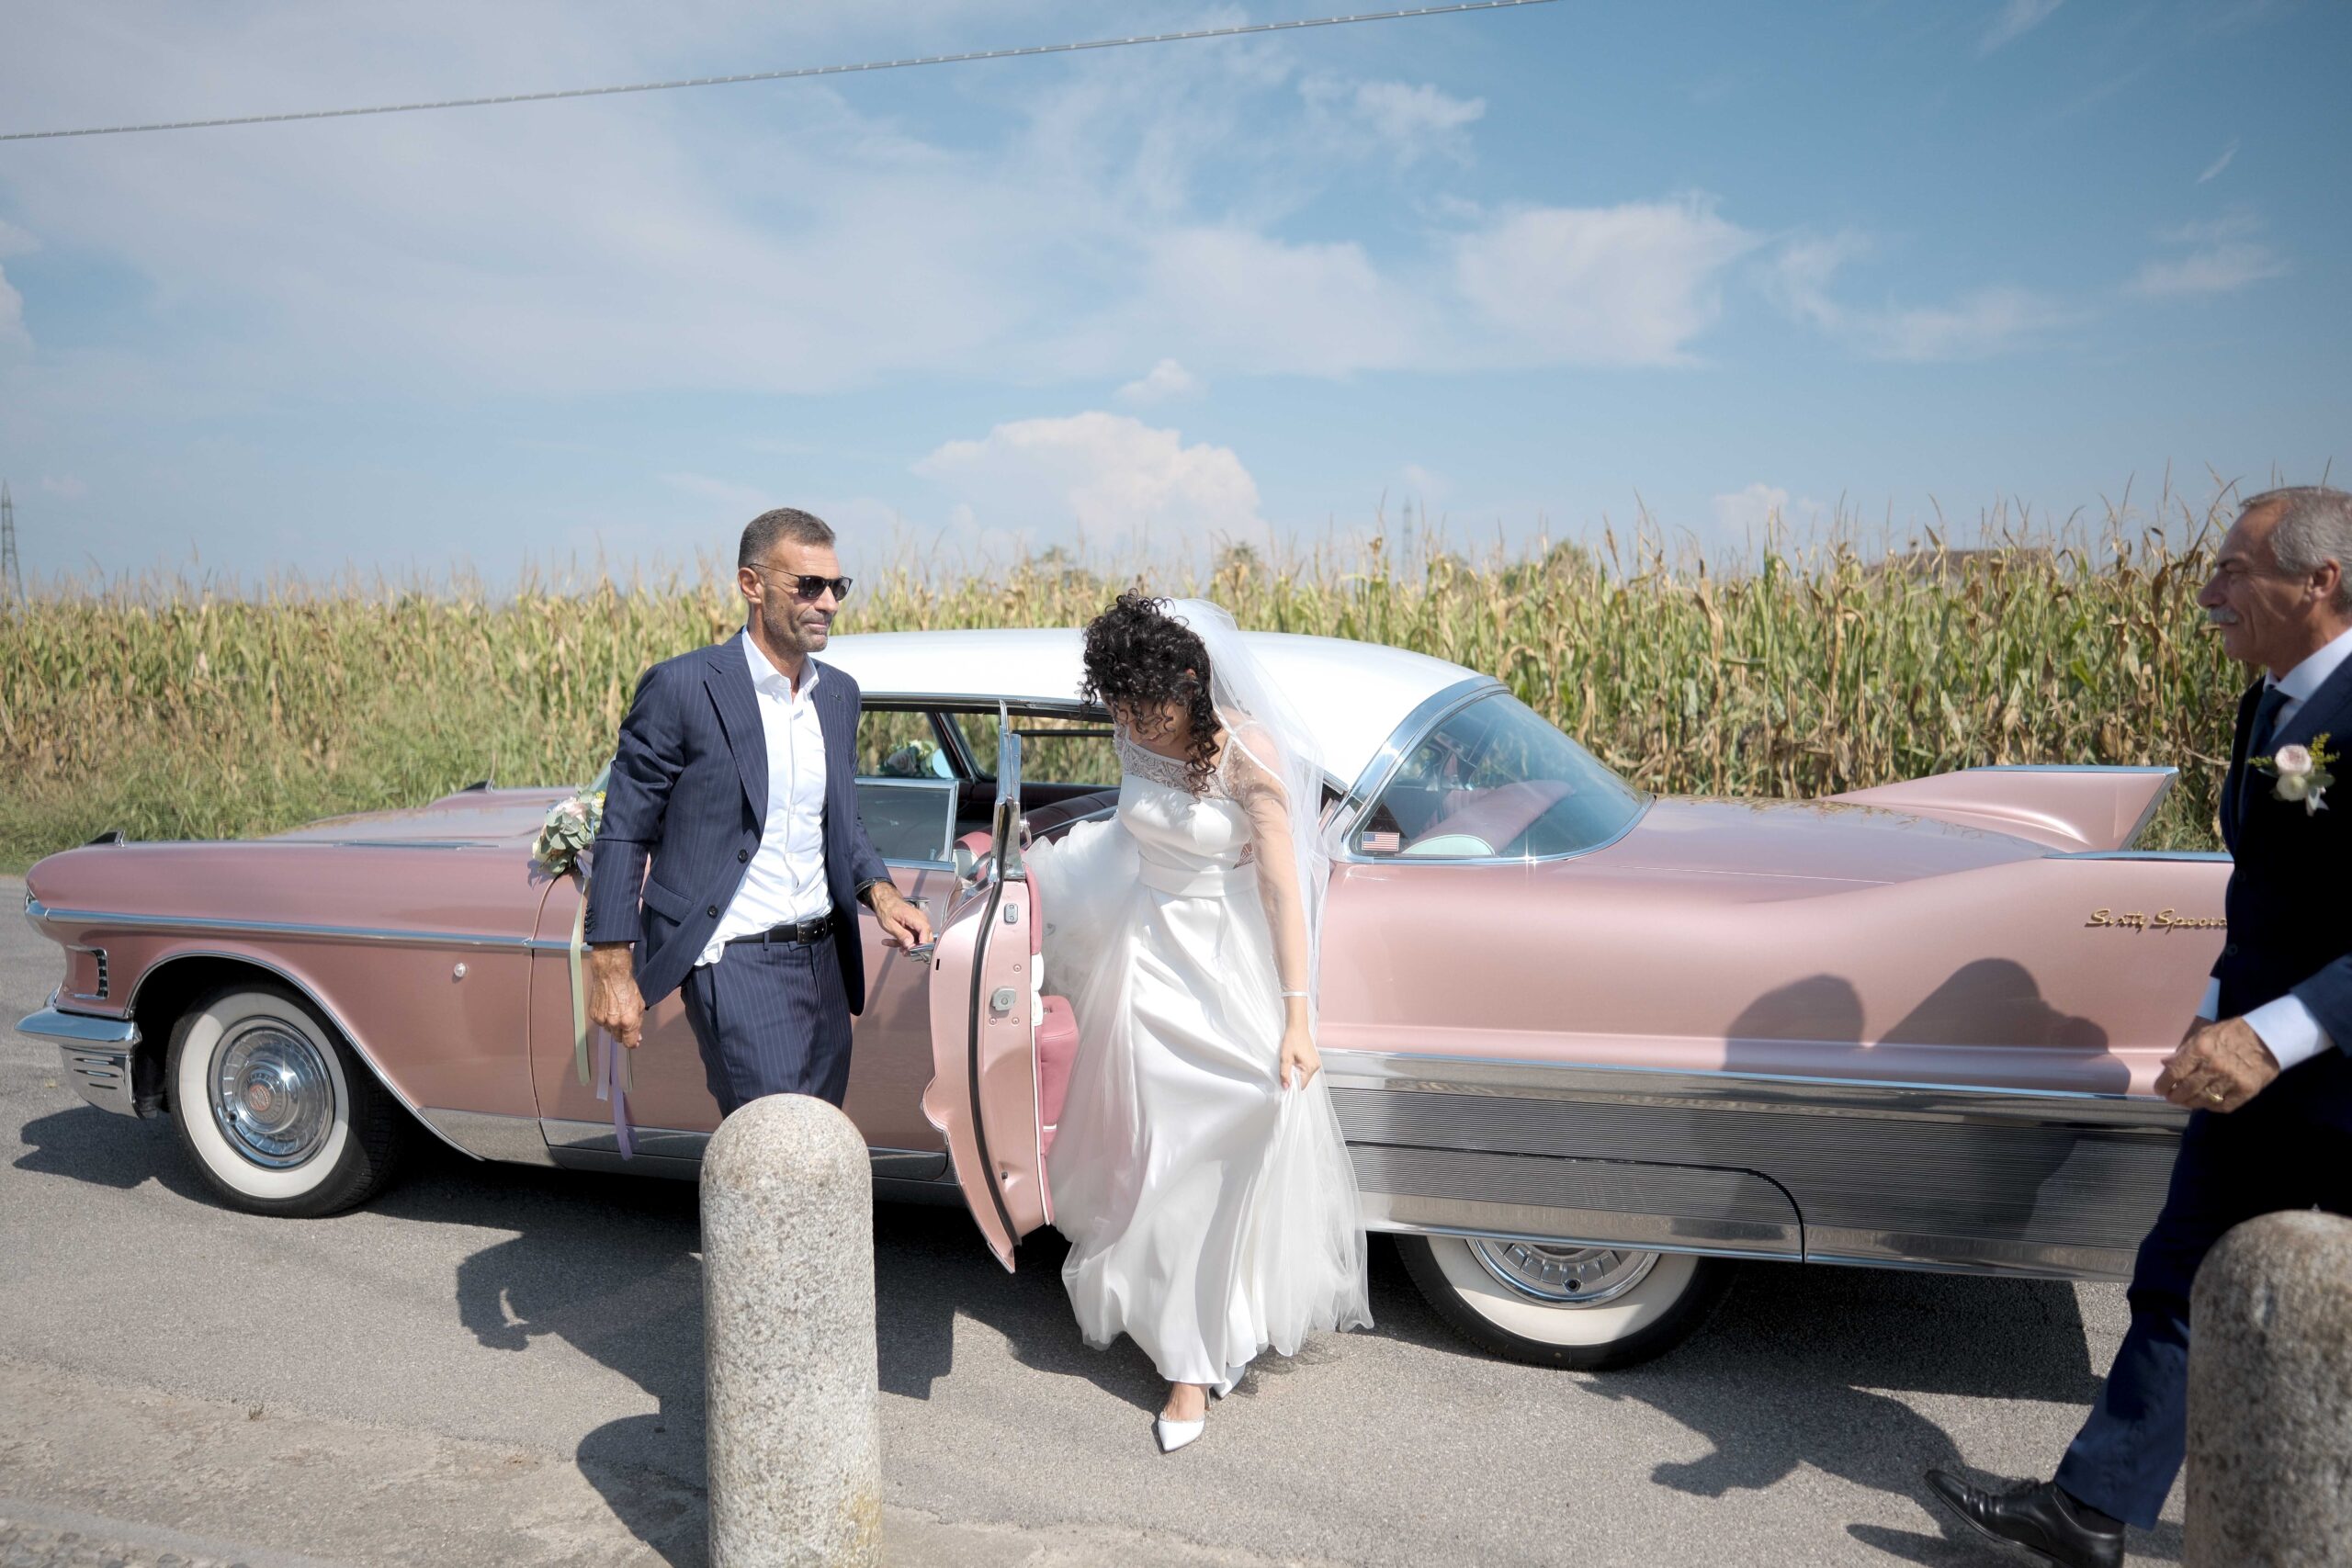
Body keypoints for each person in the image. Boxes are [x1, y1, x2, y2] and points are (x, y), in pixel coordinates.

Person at [1928, 486, 2352, 1565]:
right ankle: (2091, 1510)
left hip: (2329, 1065)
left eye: (2232, 571)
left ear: (2319, 582)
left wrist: (2272, 1035)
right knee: (2181, 1273)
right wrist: (2210, 1022)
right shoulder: (2270, 704)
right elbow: (2267, 893)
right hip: (2254, 1066)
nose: (2206, 594)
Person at [1026, 592, 1371, 1454]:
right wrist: (1064, 905)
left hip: (1226, 960)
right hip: (1144, 956)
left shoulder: (1249, 753)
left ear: (1191, 680)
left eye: (1151, 706)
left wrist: (1298, 1018)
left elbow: (1284, 889)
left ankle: (1220, 1312)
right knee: (1159, 1150)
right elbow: (1125, 833)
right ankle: (1187, 1361)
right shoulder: (1131, 727)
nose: (1137, 724)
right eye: (1122, 706)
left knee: (1250, 1113)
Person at [582, 507, 932, 1113]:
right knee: (776, 1141)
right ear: (752, 584)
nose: (828, 603)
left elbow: (839, 819)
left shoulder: (838, 694)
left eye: (837, 587)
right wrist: (613, 967)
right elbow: (624, 830)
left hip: (825, 961)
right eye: (809, 585)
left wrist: (882, 894)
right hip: (735, 958)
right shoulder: (683, 687)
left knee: (817, 1141)